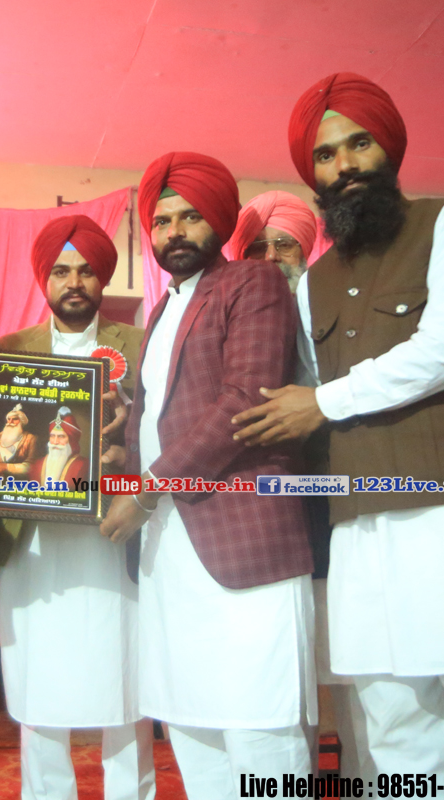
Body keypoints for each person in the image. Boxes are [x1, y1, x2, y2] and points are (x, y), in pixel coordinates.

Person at [232, 72, 444, 773]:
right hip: (359, 537)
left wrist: (321, 403)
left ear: (390, 147)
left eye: (359, 144)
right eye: (325, 155)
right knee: (399, 748)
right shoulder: (314, 281)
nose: (344, 165)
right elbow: (298, 396)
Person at [100, 152, 317, 790]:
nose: (174, 232)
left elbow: (244, 401)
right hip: (169, 553)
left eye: (190, 216)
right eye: (162, 220)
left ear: (219, 221)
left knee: (260, 732)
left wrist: (145, 492)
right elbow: (154, 419)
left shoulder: (253, 283)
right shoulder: (162, 309)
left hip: (240, 541)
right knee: (191, 728)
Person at [0, 214, 154, 800]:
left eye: (86, 271)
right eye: (61, 271)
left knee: (125, 677)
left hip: (115, 534)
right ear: (45, 279)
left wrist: (126, 449)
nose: (74, 282)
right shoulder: (12, 349)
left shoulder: (139, 343)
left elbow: (163, 429)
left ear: (102, 277)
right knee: (41, 681)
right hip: (36, 544)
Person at [230, 190, 373, 777]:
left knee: (362, 677)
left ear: (307, 249)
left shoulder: (340, 304)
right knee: (287, 683)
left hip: (342, 509)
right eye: (257, 247)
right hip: (263, 522)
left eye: (283, 245)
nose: (269, 258)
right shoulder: (229, 319)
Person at [225, 190, 318, 292]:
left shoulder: (325, 299)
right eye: (258, 248)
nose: (271, 256)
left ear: (303, 252)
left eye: (284, 245)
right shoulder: (222, 300)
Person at [28, 407, 89, 485]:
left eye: (61, 436)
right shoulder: (37, 465)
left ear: (71, 441)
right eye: (52, 436)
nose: (55, 442)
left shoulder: (84, 465)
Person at [0, 404, 37, 477]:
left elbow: (32, 466)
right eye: (9, 419)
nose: (10, 422)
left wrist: (6, 467)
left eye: (14, 419)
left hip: (15, 481)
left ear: (21, 421)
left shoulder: (30, 439)